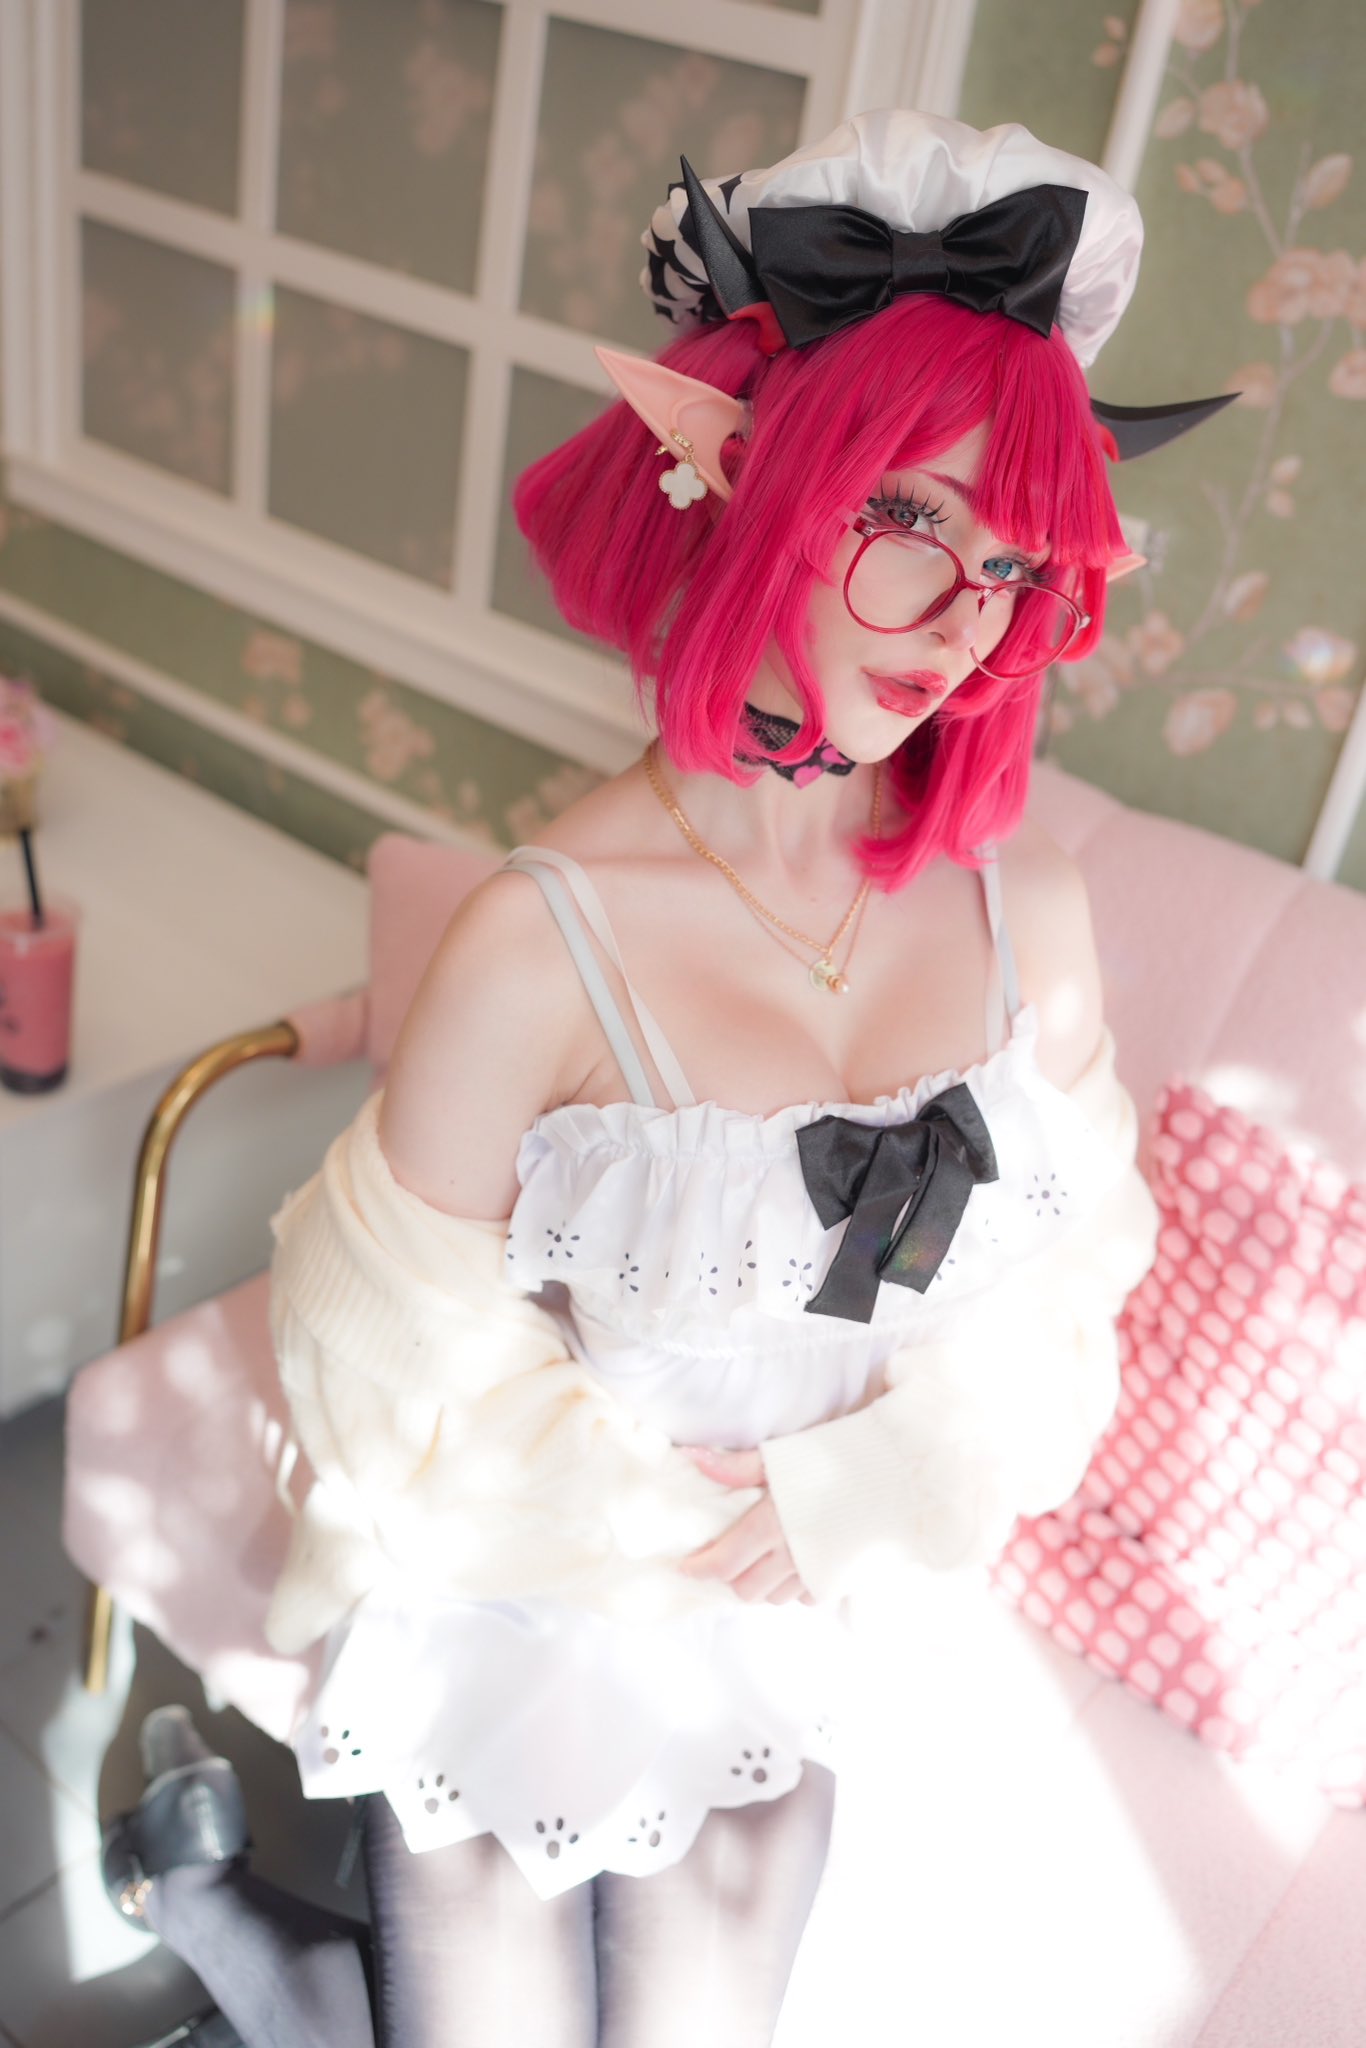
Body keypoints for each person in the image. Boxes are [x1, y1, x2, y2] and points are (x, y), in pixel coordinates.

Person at [103, 107, 1233, 2047]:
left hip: (799, 1626)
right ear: (743, 480)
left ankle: (216, 1911)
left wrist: (873, 1486)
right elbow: (373, 1387)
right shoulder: (539, 940)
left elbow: (1069, 1302)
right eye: (911, 522)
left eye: (1010, 559)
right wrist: (675, 1528)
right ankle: (225, 1915)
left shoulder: (1024, 913)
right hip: (526, 1615)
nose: (966, 616)